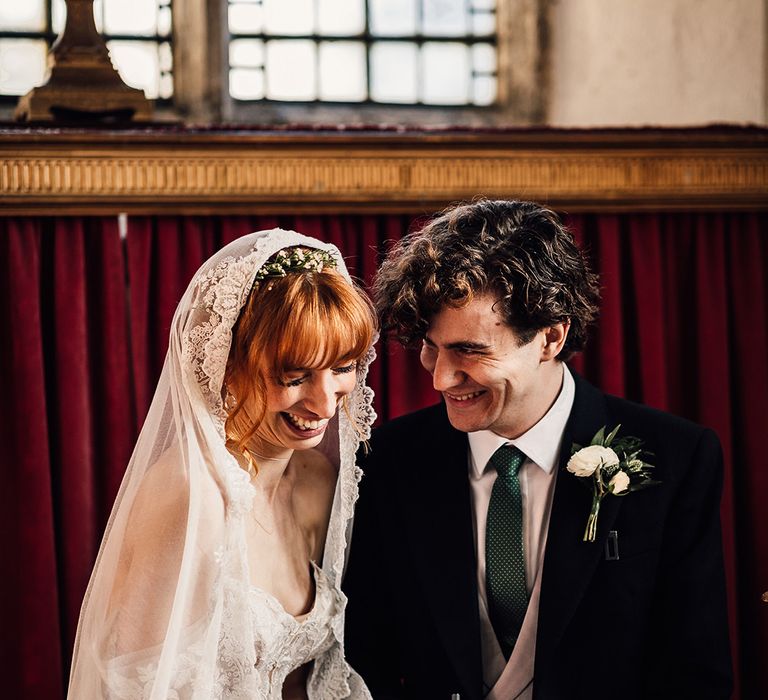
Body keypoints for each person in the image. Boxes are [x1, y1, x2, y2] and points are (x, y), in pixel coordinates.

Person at [343, 200, 732, 699]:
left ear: (551, 336)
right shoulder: (387, 460)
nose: (440, 378)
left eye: (469, 350)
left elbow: (693, 673)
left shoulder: (677, 458)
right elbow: (365, 658)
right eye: (430, 346)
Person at [69, 230, 376, 699]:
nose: (324, 404)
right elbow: (127, 686)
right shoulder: (191, 495)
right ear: (227, 365)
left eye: (342, 368)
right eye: (294, 377)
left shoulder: (317, 481)